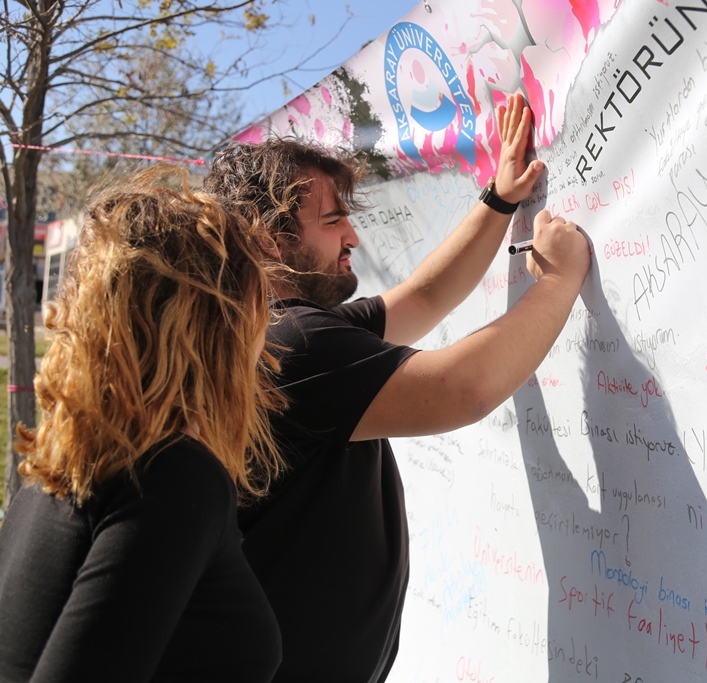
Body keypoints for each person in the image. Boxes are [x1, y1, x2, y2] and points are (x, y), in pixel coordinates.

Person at [204, 93, 591, 682]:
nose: (352, 237)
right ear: (264, 238)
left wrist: (498, 199)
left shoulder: (279, 331)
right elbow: (465, 389)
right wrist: (560, 281)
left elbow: (424, 298)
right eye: (332, 221)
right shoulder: (292, 343)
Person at [0, 167, 285, 682]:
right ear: (217, 323)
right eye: (261, 302)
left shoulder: (52, 482)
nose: (268, 329)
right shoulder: (171, 478)